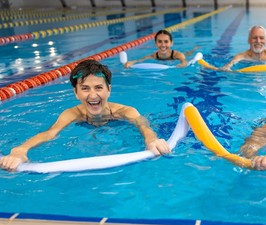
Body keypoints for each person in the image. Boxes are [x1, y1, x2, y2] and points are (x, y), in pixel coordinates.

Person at [0, 59, 171, 171]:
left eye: (98, 88)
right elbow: (49, 133)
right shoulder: (72, 114)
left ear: (108, 90)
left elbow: (143, 124)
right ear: (76, 93)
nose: (92, 95)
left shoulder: (124, 111)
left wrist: (151, 139)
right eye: (85, 88)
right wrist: (20, 149)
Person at [123, 29, 188, 68]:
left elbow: (184, 62)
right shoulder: (153, 56)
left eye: (166, 41)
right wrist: (131, 62)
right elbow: (140, 60)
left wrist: (182, 64)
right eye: (159, 41)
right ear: (155, 43)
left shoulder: (178, 55)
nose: (163, 45)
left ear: (171, 43)